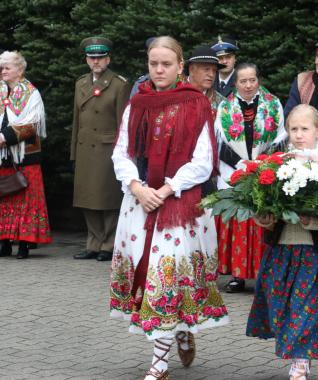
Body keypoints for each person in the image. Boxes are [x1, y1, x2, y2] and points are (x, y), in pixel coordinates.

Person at [109, 36, 229, 380]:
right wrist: (136, 187)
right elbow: (122, 152)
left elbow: (203, 162)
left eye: (166, 64)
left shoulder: (196, 104)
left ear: (180, 68)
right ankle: (179, 330)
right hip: (140, 202)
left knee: (167, 275)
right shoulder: (137, 104)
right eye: (153, 64)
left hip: (181, 204)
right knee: (149, 275)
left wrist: (165, 189)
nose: (159, 70)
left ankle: (158, 365)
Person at [246, 104, 318, 380]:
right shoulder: (277, 166)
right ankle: (298, 354)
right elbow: (262, 211)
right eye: (293, 129)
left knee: (304, 307)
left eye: (305, 129)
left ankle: (300, 362)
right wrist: (264, 217)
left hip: (312, 252)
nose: (299, 135)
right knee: (282, 305)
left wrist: (313, 221)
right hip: (281, 250)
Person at [214, 62, 287, 292]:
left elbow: (280, 138)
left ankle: (264, 274)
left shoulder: (273, 104)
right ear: (235, 83)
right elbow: (218, 142)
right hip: (233, 171)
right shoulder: (225, 107)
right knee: (238, 225)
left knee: (262, 224)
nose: (248, 85)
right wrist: (240, 164)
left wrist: (259, 162)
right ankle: (237, 276)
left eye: (252, 80)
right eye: (243, 81)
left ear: (259, 80)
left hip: (262, 168)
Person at [71, 36, 131, 262]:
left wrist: (122, 153)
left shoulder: (119, 84)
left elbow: (121, 123)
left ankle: (109, 243)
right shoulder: (81, 83)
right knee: (87, 199)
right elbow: (77, 120)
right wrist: (74, 151)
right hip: (86, 147)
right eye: (92, 58)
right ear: (87, 60)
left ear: (108, 59)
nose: (96, 62)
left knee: (107, 200)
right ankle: (93, 243)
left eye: (100, 58)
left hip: (107, 150)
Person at [0, 51, 52, 259]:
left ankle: (24, 244)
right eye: (1, 68)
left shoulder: (31, 93)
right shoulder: (1, 91)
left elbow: (33, 124)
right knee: (3, 197)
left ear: (19, 70)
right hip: (3, 156)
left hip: (24, 156)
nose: (3, 71)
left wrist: (4, 137)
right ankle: (3, 243)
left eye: (7, 67)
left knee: (26, 200)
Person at [187, 45, 226, 117]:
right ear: (191, 70)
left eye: (214, 70)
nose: (211, 74)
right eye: (206, 69)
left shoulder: (222, 103)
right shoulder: (172, 92)